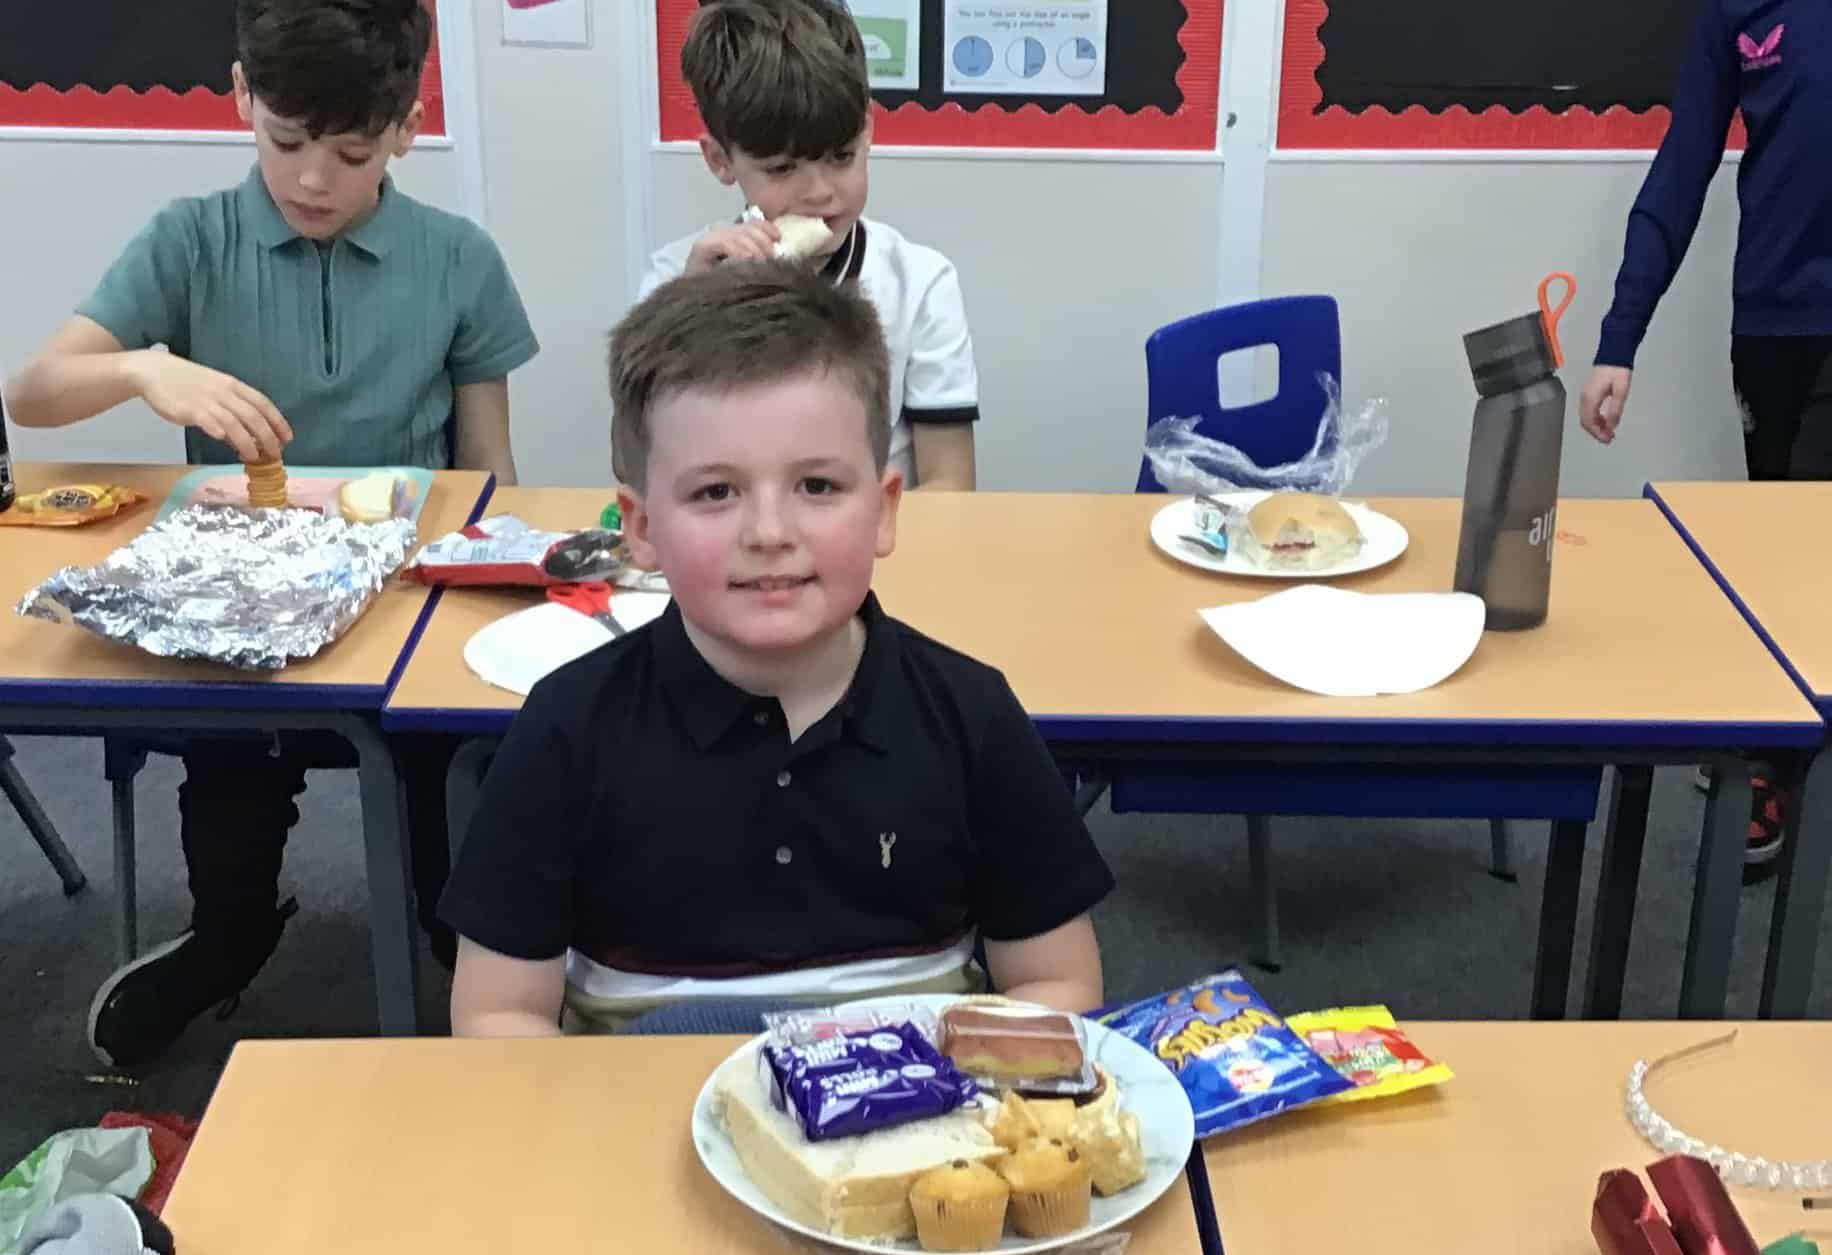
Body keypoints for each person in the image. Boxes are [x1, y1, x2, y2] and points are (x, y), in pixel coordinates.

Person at [5, 0, 540, 1065]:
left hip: (402, 627)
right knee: (234, 817)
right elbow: (33, 391)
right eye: (287, 142)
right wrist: (143, 369)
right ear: (243, 97)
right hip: (236, 638)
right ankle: (231, 936)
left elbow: (490, 479)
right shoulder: (191, 241)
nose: (313, 181)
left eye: (351, 154)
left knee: (452, 872)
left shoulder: (457, 260)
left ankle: (462, 950)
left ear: (406, 126)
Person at [443, 264, 1110, 1036]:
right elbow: (497, 1015)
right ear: (642, 529)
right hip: (637, 1105)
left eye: (817, 487)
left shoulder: (971, 715)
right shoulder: (568, 727)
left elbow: (1058, 980)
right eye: (715, 493)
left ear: (885, 510)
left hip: (919, 1104)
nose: (768, 532)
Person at [1579, 0, 1832, 868]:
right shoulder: (1732, 10)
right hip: (1770, 308)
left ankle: (1774, 767)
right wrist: (1620, 338)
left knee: (1812, 520)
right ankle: (1821, 709)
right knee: (1774, 531)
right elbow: (1683, 162)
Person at [637, 0, 980, 492]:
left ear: (867, 130)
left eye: (841, 157)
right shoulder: (676, 279)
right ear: (719, 160)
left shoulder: (920, 284)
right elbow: (634, 469)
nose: (820, 192)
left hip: (883, 537)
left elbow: (951, 483)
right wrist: (690, 315)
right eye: (782, 169)